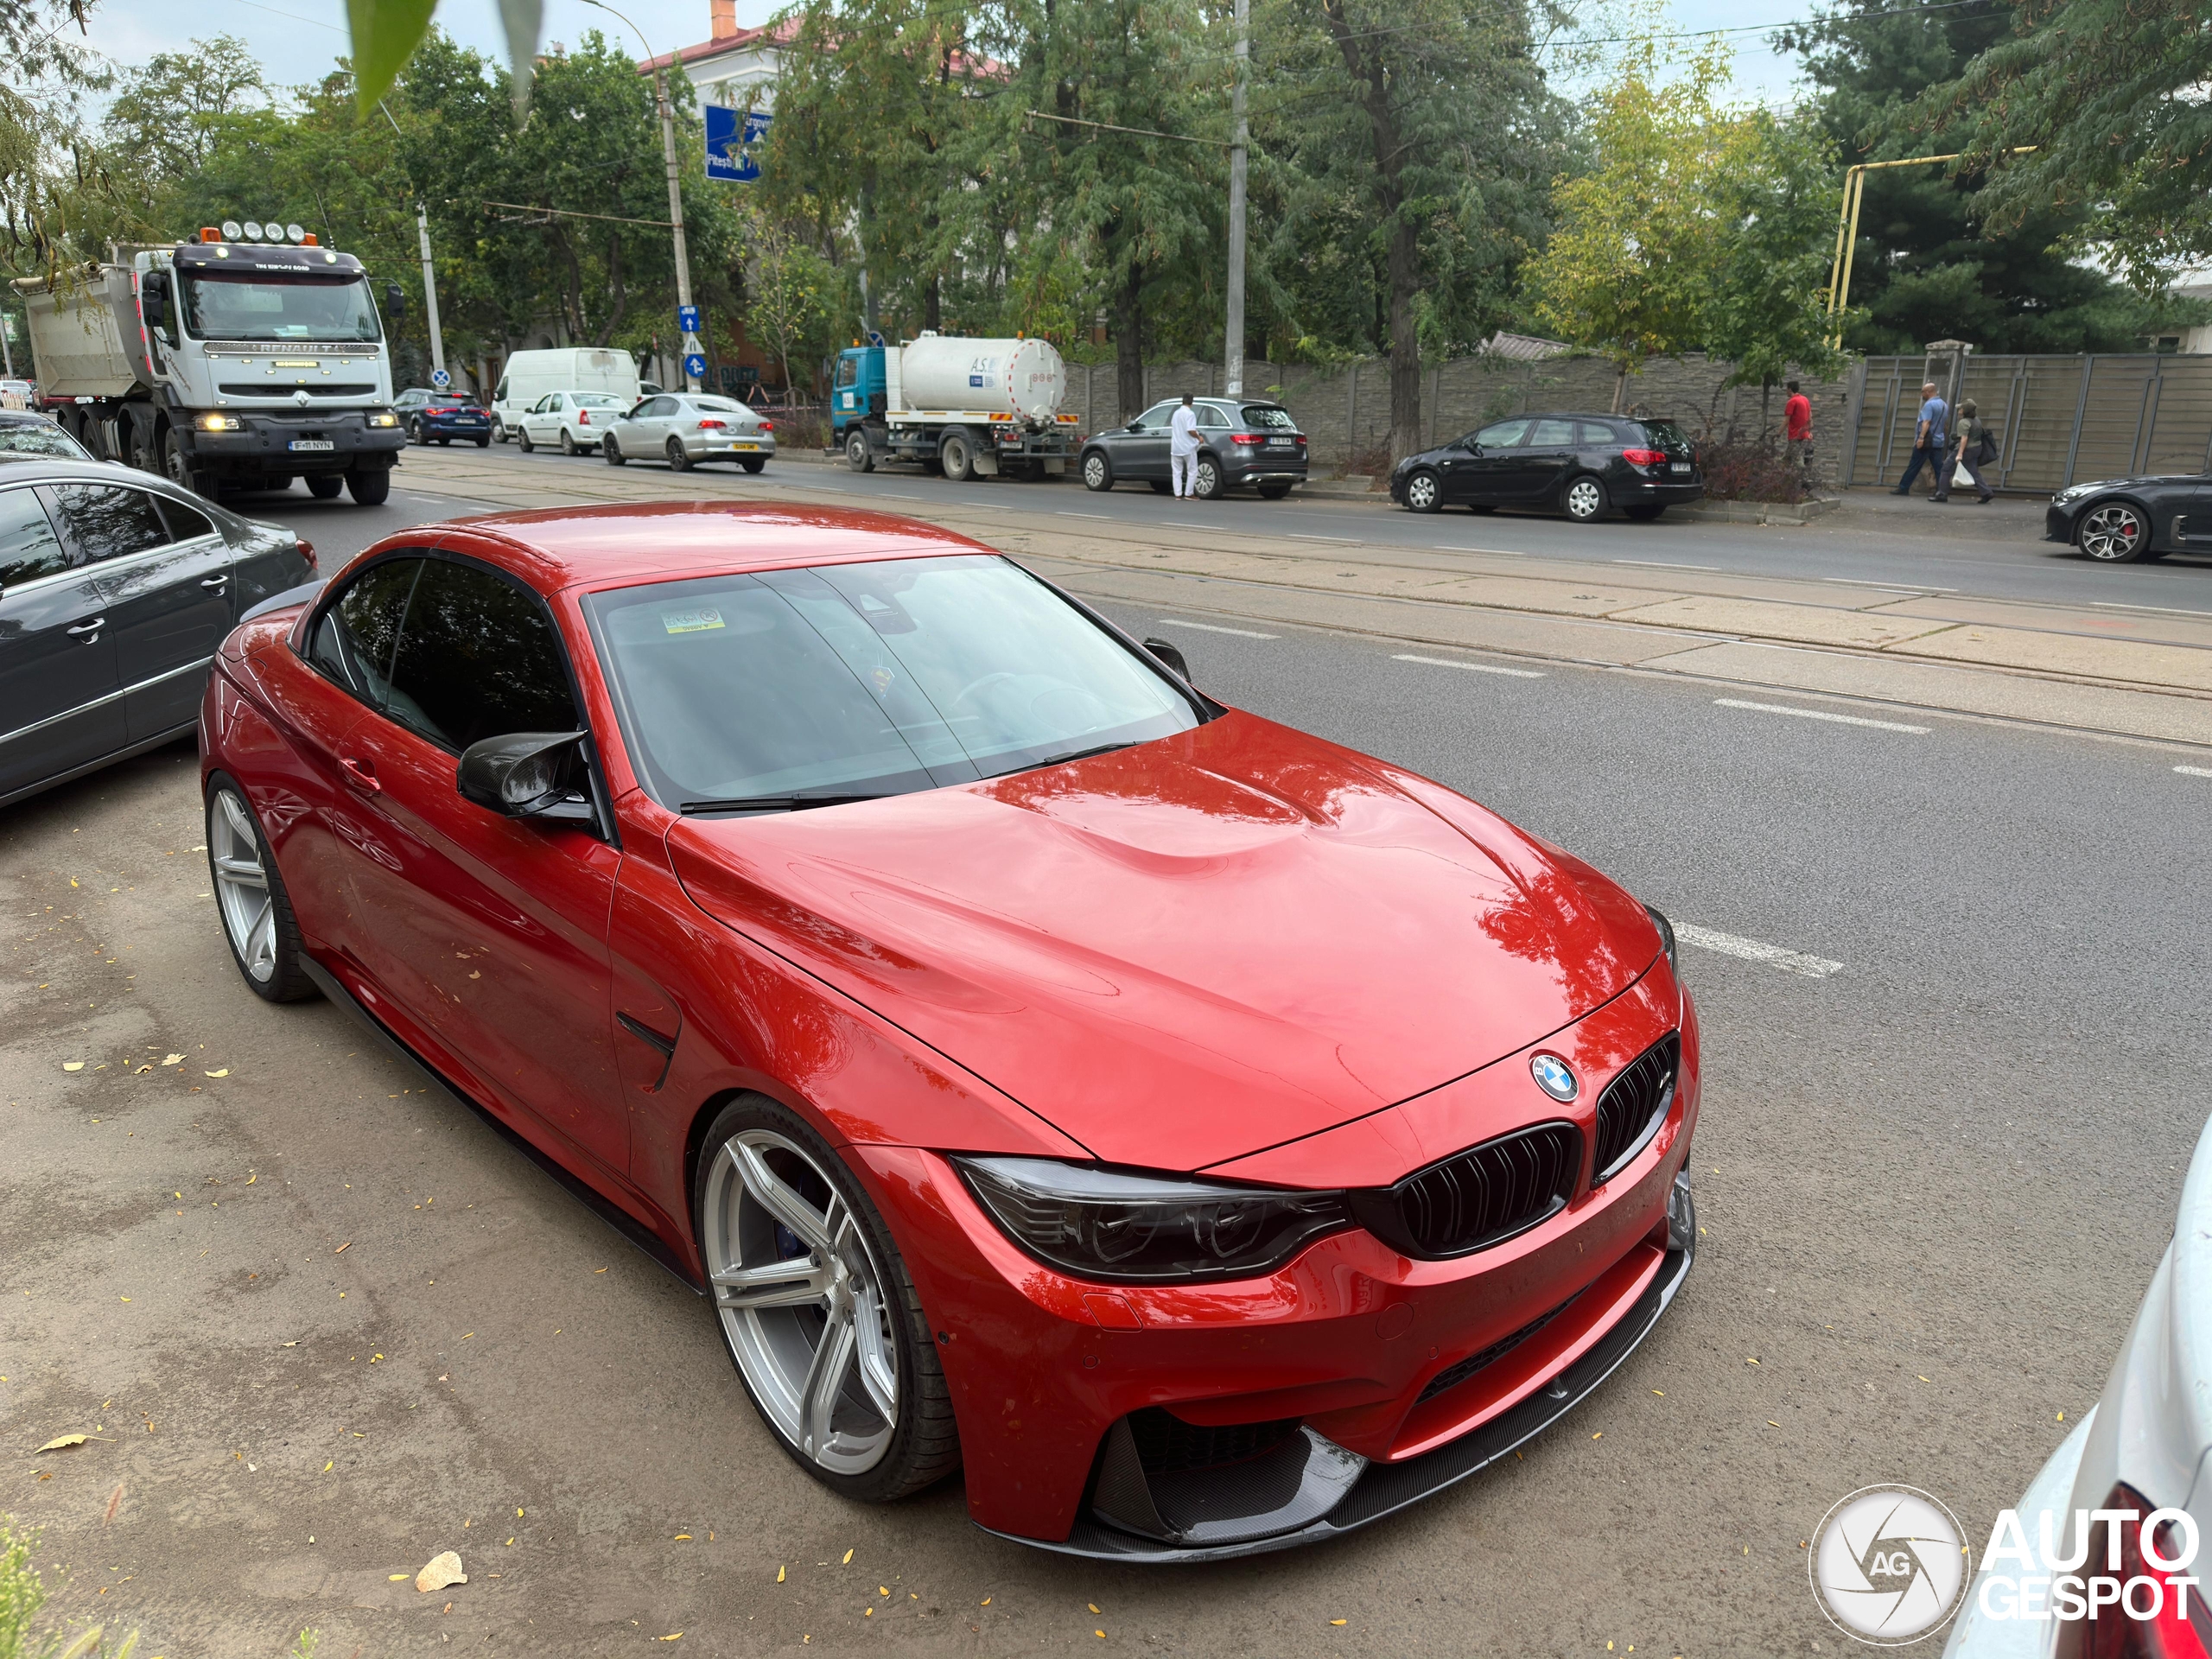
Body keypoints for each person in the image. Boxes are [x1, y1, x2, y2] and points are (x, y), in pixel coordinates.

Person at [1891, 381, 1948, 496]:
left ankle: (1903, 487)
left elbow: (1926, 422)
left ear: (1928, 392)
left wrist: (1921, 438)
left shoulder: (1929, 405)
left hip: (1927, 441)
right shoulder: (1944, 405)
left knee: (1914, 464)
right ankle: (1941, 490)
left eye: (1922, 391)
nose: (1921, 394)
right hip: (1938, 441)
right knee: (1938, 467)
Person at [1935, 397, 1995, 505]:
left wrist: (1959, 454)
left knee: (1946, 469)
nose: (1959, 410)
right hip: (1976, 448)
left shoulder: (1964, 422)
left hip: (1966, 449)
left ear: (1965, 411)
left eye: (1961, 409)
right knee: (1973, 472)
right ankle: (1986, 492)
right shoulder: (1977, 420)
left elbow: (1964, 439)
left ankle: (1942, 494)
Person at [1783, 379, 1814, 492]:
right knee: (1787, 460)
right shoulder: (1805, 400)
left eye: (1786, 389)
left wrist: (1777, 433)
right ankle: (1783, 482)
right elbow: (1810, 417)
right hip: (1805, 436)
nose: (1786, 391)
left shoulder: (1792, 402)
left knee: (1796, 460)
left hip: (1795, 436)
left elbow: (1786, 421)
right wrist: (1809, 431)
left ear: (1790, 389)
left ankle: (1805, 482)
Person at [1168, 393, 1201, 498]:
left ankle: (1177, 494)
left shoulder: (1176, 413)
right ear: (1192, 402)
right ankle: (1189, 493)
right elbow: (1191, 430)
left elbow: (1173, 425)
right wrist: (1198, 437)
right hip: (1188, 447)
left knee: (1177, 472)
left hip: (1176, 446)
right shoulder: (1190, 414)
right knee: (1192, 470)